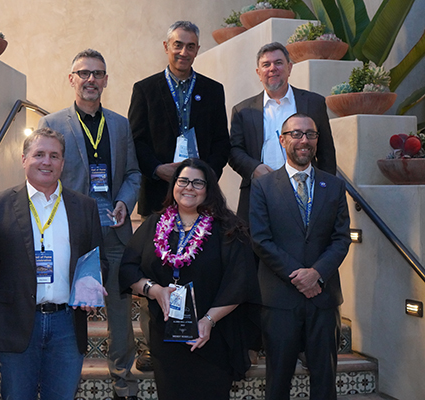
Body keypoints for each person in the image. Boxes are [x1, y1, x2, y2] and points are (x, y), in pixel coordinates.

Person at [0, 127, 108, 400]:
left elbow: (97, 260)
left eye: (54, 156)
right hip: (16, 325)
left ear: (63, 163)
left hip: (67, 327)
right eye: (39, 154)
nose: (47, 161)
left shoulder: (84, 206)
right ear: (24, 159)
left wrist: (90, 283)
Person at [38, 49, 141, 399]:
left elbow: (132, 173)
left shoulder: (120, 124)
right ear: (72, 79)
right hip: (70, 230)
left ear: (106, 80)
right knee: (68, 305)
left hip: (114, 227)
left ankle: (122, 377)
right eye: (83, 73)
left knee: (119, 306)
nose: (91, 79)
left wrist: (126, 201)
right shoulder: (52, 124)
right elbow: (43, 175)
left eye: (98, 73)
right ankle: (62, 371)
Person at [128, 20, 230, 370]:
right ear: (166, 46)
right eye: (178, 45)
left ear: (197, 50)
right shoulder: (145, 89)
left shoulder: (213, 90)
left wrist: (200, 176)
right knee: (154, 269)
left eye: (190, 46)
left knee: (201, 265)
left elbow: (222, 144)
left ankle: (199, 331)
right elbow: (136, 142)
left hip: (200, 197)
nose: (183, 51)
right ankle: (153, 346)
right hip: (159, 193)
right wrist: (159, 169)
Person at [120, 158, 260, 399]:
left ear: (209, 189)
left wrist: (208, 321)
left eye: (198, 183)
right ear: (174, 185)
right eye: (183, 181)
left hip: (213, 336)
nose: (189, 188)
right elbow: (128, 269)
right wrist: (154, 290)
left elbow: (240, 282)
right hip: (167, 338)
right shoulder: (156, 223)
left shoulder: (229, 228)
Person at [249, 113, 351, 400]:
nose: (303, 140)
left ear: (317, 140)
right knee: (277, 382)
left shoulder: (334, 185)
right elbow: (261, 239)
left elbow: (341, 238)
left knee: (324, 381)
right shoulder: (263, 186)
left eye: (310, 134)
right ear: (282, 140)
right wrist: (300, 276)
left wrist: (316, 274)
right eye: (296, 134)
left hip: (323, 299)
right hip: (280, 300)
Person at [229, 41, 337, 224]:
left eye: (278, 63)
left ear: (289, 67)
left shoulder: (314, 103)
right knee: (256, 250)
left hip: (306, 194)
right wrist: (254, 168)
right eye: (266, 64)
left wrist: (327, 194)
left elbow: (326, 152)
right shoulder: (243, 111)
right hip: (259, 195)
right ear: (258, 73)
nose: (273, 68)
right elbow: (234, 151)